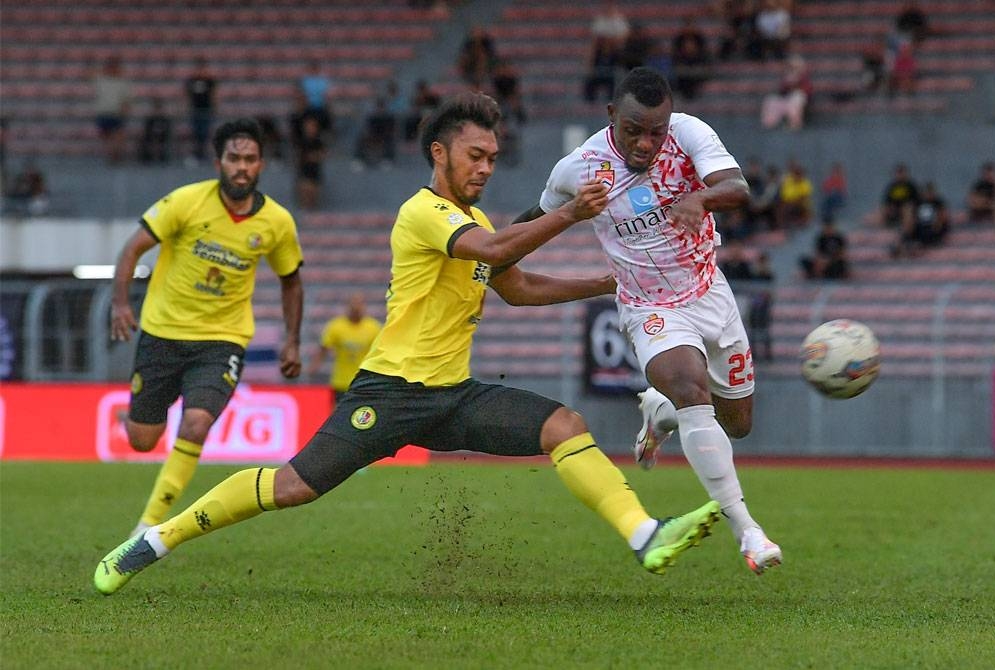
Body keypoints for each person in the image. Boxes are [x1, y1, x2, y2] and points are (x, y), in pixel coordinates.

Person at [94, 92, 721, 595]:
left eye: (493, 159)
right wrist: (566, 216)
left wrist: (611, 282)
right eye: (475, 155)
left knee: (564, 425)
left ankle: (644, 534)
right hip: (390, 392)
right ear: (439, 153)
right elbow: (498, 250)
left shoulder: (475, 220)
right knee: (292, 488)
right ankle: (156, 539)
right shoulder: (421, 212)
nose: (485, 167)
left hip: (451, 395)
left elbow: (518, 287)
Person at [517, 67, 781, 574]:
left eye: (655, 131)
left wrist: (700, 197)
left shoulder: (690, 133)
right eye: (633, 129)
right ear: (612, 115)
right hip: (649, 306)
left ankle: (661, 414)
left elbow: (739, 187)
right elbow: (541, 215)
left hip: (711, 292)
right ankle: (748, 531)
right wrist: (490, 251)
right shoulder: (580, 167)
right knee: (691, 390)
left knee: (739, 424)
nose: (645, 142)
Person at [107, 118, 304, 541]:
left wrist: (291, 338)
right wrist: (120, 303)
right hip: (162, 333)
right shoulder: (186, 201)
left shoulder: (277, 222)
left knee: (196, 424)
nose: (241, 167)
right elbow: (134, 246)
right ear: (219, 161)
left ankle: (146, 527)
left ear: (261, 165)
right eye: (234, 158)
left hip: (222, 340)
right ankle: (136, 416)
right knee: (143, 440)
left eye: (250, 159)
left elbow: (291, 279)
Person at [307, 292, 382, 408]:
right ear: (348, 306)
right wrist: (314, 367)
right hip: (341, 382)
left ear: (364, 307)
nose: (356, 308)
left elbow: (380, 353)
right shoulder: (336, 326)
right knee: (337, 414)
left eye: (359, 305)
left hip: (363, 382)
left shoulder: (373, 327)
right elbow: (324, 348)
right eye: (353, 304)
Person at [92, 56, 131, 164]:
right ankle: (112, 157)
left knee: (118, 137)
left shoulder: (122, 82)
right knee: (108, 139)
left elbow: (126, 100)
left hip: (116, 114)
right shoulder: (101, 81)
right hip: (104, 113)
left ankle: (116, 157)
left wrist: (125, 112)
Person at [761, 55, 812, 131]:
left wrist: (796, 84)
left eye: (795, 67)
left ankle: (794, 124)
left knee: (797, 97)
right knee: (771, 99)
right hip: (786, 99)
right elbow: (782, 91)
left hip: (797, 100)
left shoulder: (805, 79)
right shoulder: (786, 77)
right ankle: (769, 123)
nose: (793, 69)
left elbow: (807, 92)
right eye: (791, 67)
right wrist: (788, 84)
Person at [184, 57, 217, 164]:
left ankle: (204, 155)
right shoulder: (191, 80)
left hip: (206, 110)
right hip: (195, 110)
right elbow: (186, 95)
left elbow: (214, 95)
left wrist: (214, 108)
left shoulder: (209, 81)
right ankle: (196, 155)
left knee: (205, 133)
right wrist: (186, 108)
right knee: (196, 133)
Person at [880, 163, 919, 229]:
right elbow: (886, 200)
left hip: (907, 209)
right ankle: (883, 230)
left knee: (907, 210)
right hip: (895, 208)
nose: (900, 175)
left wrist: (910, 206)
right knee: (882, 210)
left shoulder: (911, 186)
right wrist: (888, 207)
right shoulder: (892, 187)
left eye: (902, 173)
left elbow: (917, 200)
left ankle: (907, 230)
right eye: (898, 173)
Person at [138, 97, 172, 164]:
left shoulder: (165, 120)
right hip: (151, 138)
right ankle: (147, 160)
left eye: (159, 108)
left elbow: (168, 131)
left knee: (160, 142)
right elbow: (147, 132)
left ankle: (162, 158)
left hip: (162, 138)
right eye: (156, 108)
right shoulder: (150, 120)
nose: (158, 111)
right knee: (149, 142)